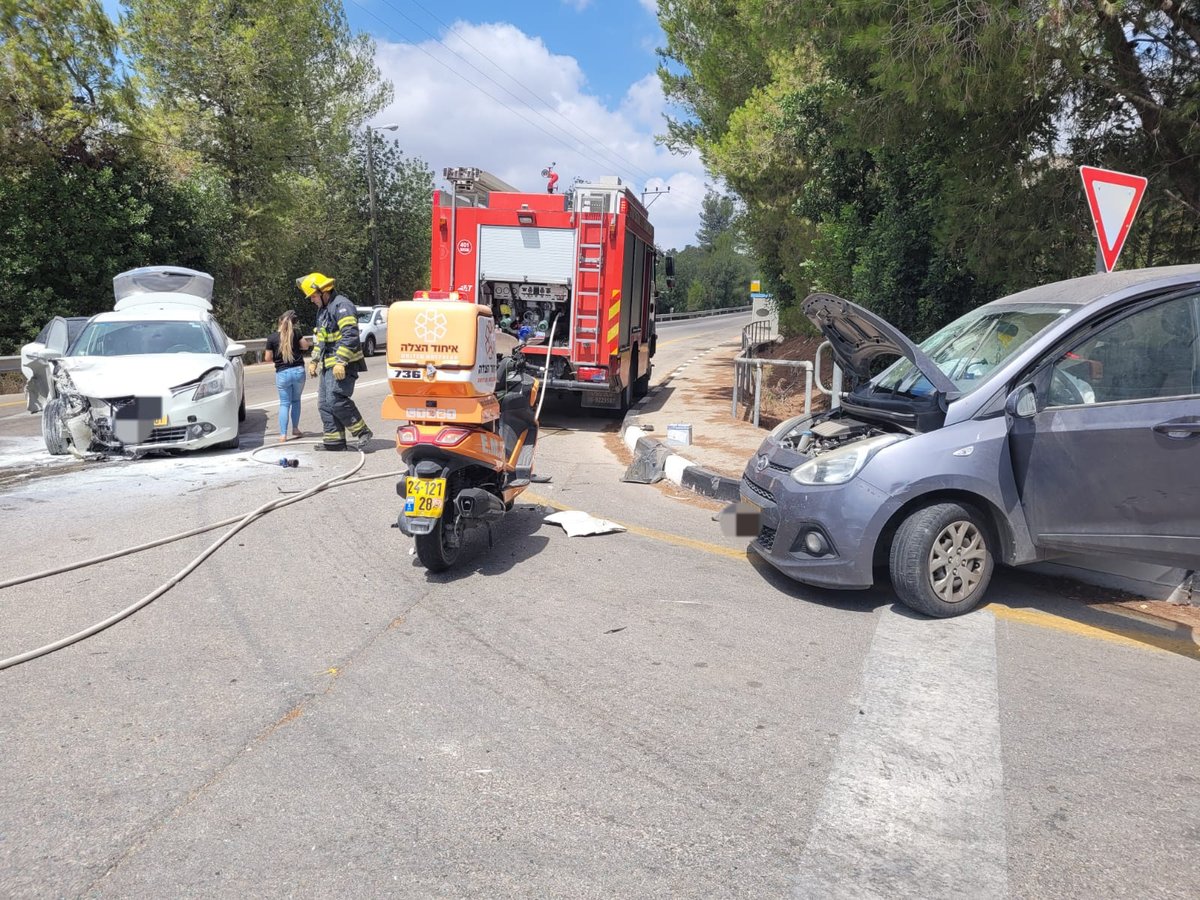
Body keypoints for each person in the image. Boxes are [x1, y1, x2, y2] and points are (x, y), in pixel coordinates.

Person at [295, 272, 373, 450]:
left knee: (335, 399)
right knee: (324, 403)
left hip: (344, 364)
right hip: (328, 364)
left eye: (313, 296)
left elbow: (351, 335)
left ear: (323, 292)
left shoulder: (342, 305)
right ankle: (334, 442)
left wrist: (341, 361)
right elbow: (321, 339)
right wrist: (314, 361)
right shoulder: (322, 310)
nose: (312, 300)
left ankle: (362, 431)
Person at [263, 309, 312, 442]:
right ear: (293, 323)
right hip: (298, 371)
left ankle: (283, 435)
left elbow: (267, 358)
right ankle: (295, 429)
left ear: (280, 321)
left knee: (284, 403)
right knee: (296, 401)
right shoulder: (296, 333)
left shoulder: (272, 337)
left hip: (283, 373)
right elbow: (306, 346)